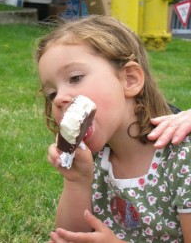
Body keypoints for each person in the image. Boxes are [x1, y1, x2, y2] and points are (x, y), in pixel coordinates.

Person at [36, 15, 191, 242]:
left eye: (75, 78)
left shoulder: (182, 157)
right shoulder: (95, 159)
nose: (59, 98)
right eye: (52, 93)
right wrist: (76, 181)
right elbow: (70, 237)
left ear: (129, 79)